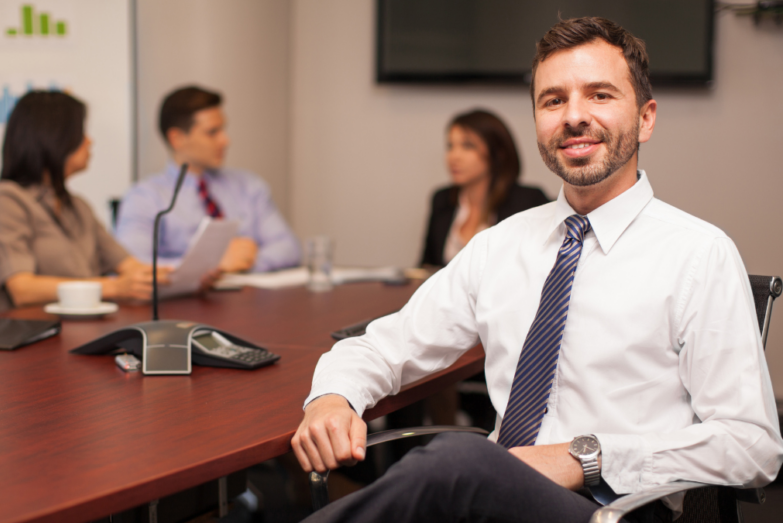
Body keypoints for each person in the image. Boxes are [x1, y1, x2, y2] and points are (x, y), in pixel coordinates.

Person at [291, 17, 783, 523]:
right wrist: (332, 396)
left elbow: (753, 445)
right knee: (461, 467)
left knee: (459, 461)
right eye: (553, 100)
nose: (574, 116)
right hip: (492, 498)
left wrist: (583, 458)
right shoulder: (500, 245)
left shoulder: (698, 254)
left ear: (646, 118)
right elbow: (385, 346)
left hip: (614, 510)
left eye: (600, 96)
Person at [0, 91, 167, 313]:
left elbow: (130, 267)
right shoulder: (6, 201)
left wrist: (185, 277)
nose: (89, 141)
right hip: (30, 338)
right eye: (80, 133)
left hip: (79, 330)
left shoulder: (77, 206)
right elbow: (23, 290)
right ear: (53, 137)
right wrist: (112, 288)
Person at [115, 86, 301, 273]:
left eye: (223, 130)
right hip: (187, 301)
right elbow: (134, 265)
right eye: (212, 132)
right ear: (177, 138)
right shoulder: (144, 197)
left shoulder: (248, 186)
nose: (225, 140)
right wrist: (210, 265)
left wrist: (245, 262)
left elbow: (289, 248)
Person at [421, 109, 549, 267]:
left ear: (498, 153)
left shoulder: (528, 200)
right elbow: (425, 270)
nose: (454, 156)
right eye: (450, 146)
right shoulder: (441, 199)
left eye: (467, 146)